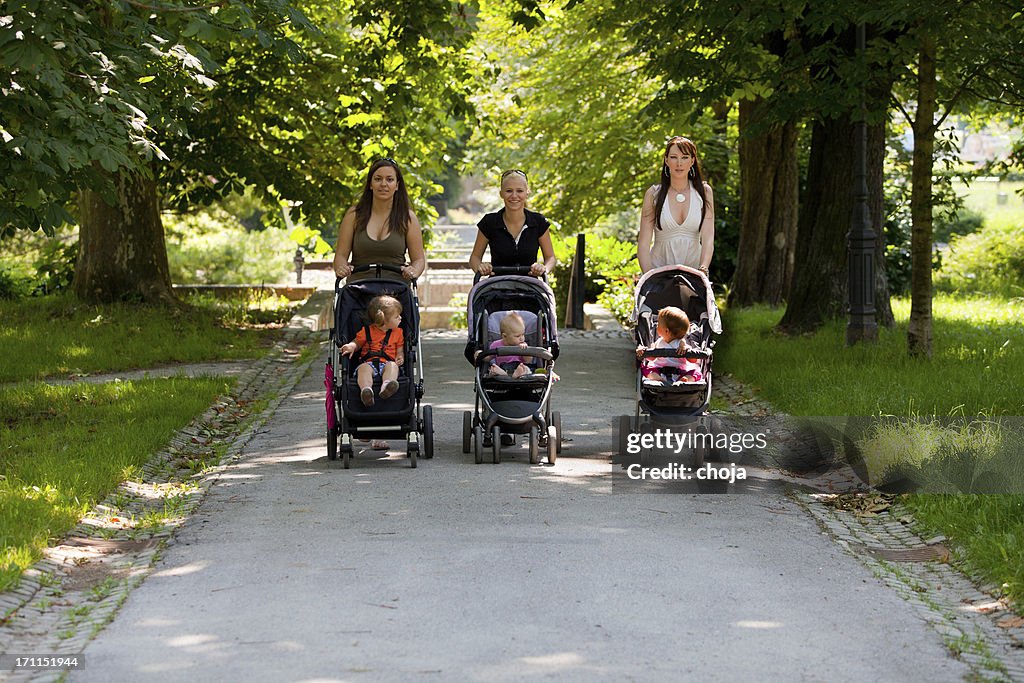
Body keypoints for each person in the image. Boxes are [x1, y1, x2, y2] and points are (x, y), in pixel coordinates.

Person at [333, 158, 426, 283]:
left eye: (389, 179)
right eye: (378, 179)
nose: (383, 184)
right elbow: (340, 256)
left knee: (389, 304)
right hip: (358, 290)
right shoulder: (354, 215)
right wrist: (341, 268)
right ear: (370, 184)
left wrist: (413, 270)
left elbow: (419, 259)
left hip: (396, 290)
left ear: (397, 185)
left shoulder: (408, 218)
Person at [637, 136, 715, 277]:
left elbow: (708, 237)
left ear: (692, 161)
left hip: (694, 273)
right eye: (674, 157)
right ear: (666, 160)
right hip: (659, 273)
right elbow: (643, 243)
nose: (679, 163)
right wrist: (649, 277)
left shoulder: (704, 192)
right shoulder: (654, 194)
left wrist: (703, 270)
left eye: (684, 157)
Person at [469, 169, 556, 277]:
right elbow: (474, 258)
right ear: (501, 194)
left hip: (530, 288)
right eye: (509, 191)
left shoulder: (538, 222)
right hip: (497, 287)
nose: (514, 196)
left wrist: (544, 269)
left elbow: (550, 258)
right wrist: (480, 267)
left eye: (519, 191)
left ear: (527, 193)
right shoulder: (489, 222)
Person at [339, 295, 405, 408]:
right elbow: (357, 342)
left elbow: (400, 350)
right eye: (397, 316)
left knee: (393, 366)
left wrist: (400, 356)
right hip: (368, 363)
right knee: (364, 368)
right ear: (384, 320)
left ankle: (387, 386)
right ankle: (366, 391)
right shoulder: (367, 331)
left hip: (387, 363)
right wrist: (351, 346)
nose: (400, 318)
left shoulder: (398, 333)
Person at [636, 306, 702, 385]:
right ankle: (659, 380)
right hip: (659, 370)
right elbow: (652, 358)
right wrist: (644, 351)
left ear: (666, 331)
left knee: (696, 372)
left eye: (658, 324)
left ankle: (682, 381)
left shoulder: (681, 344)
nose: (656, 326)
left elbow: (693, 361)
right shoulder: (659, 342)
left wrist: (686, 351)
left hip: (680, 372)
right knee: (646, 369)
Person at [487, 312, 531, 378]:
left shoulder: (522, 345)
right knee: (494, 369)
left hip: (518, 366)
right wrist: (480, 354)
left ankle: (517, 373)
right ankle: (504, 374)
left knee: (525, 368)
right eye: (517, 336)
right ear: (504, 336)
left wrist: (525, 351)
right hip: (503, 368)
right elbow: (488, 358)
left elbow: (528, 360)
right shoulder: (496, 345)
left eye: (523, 334)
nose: (522, 338)